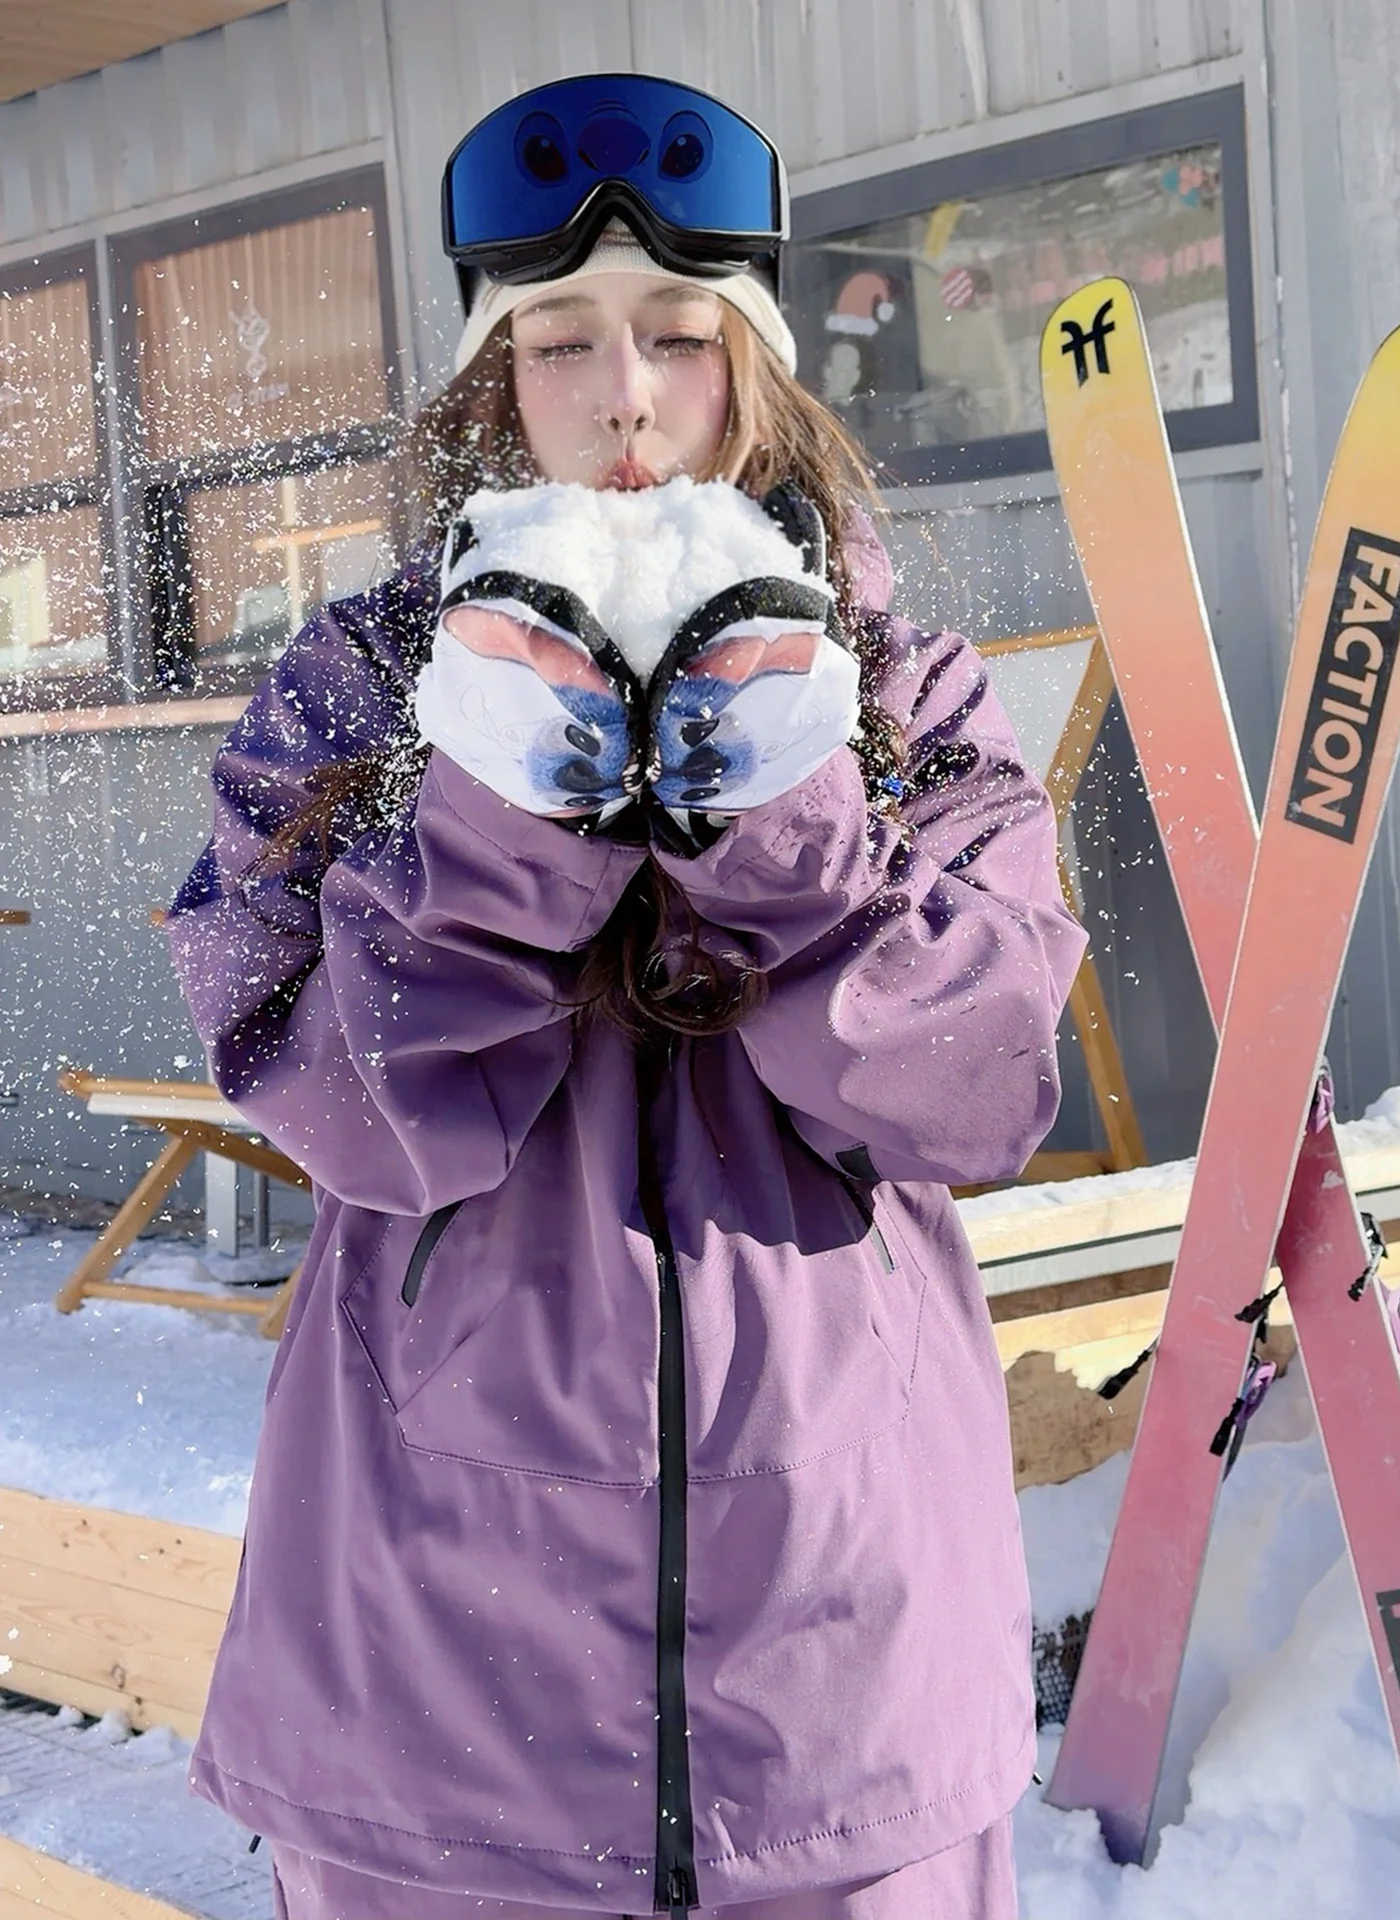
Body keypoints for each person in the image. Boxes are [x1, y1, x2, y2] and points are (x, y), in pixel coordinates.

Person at [168, 72, 1086, 1920]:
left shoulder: (906, 692)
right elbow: (325, 1090)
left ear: (756, 365)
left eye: (679, 336)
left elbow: (979, 1089)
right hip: (431, 1688)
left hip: (844, 1678)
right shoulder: (358, 686)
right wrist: (507, 811)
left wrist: (776, 822)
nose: (628, 401)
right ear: (490, 384)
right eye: (560, 343)